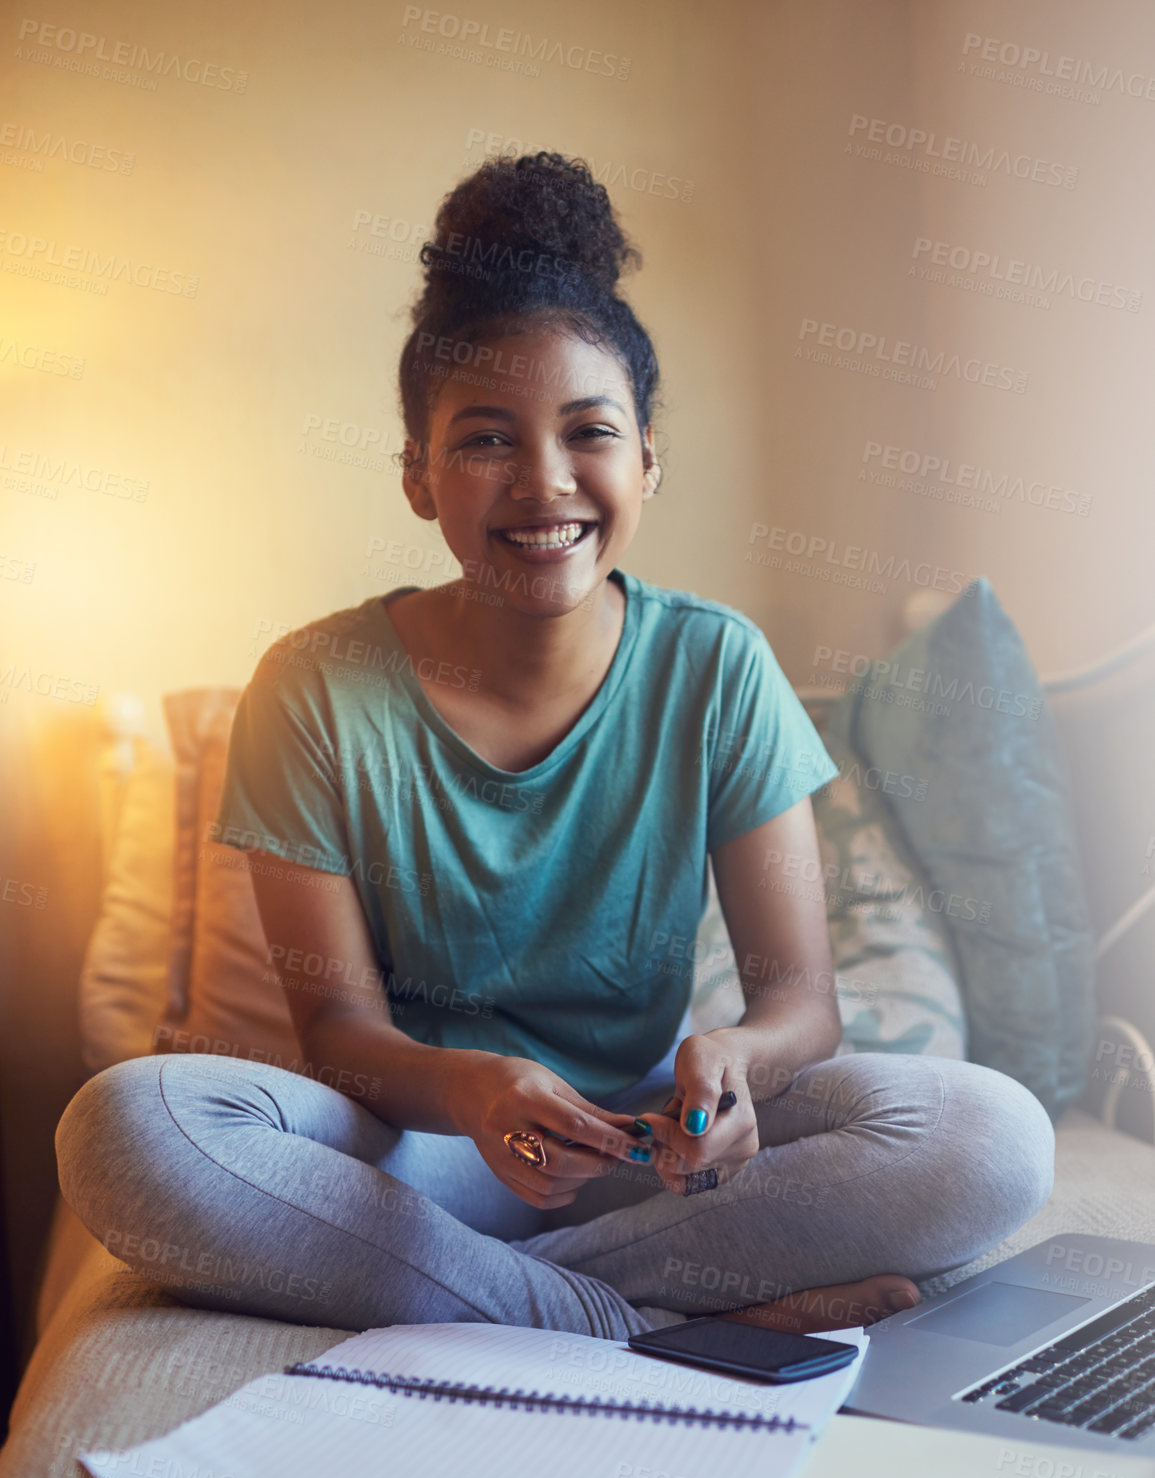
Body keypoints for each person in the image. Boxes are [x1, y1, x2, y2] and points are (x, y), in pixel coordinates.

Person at [56, 153, 1054, 1342]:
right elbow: (339, 1039)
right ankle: (638, 1318)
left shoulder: (717, 668)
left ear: (646, 461)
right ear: (420, 476)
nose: (543, 483)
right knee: (127, 1127)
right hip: (416, 1158)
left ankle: (487, 1296)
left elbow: (799, 1001)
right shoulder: (314, 688)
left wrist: (735, 1062)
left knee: (992, 1137)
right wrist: (475, 1088)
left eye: (589, 432)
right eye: (485, 441)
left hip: (644, 1151)